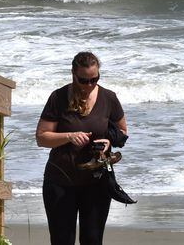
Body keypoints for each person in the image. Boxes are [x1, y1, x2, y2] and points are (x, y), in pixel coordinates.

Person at [35, 52, 126, 245]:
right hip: (60, 180)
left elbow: (122, 132)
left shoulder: (109, 98)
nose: (89, 85)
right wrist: (69, 136)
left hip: (97, 181)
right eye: (84, 80)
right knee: (62, 240)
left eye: (94, 79)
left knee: (92, 240)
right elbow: (42, 137)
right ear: (73, 75)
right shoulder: (58, 97)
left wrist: (109, 141)